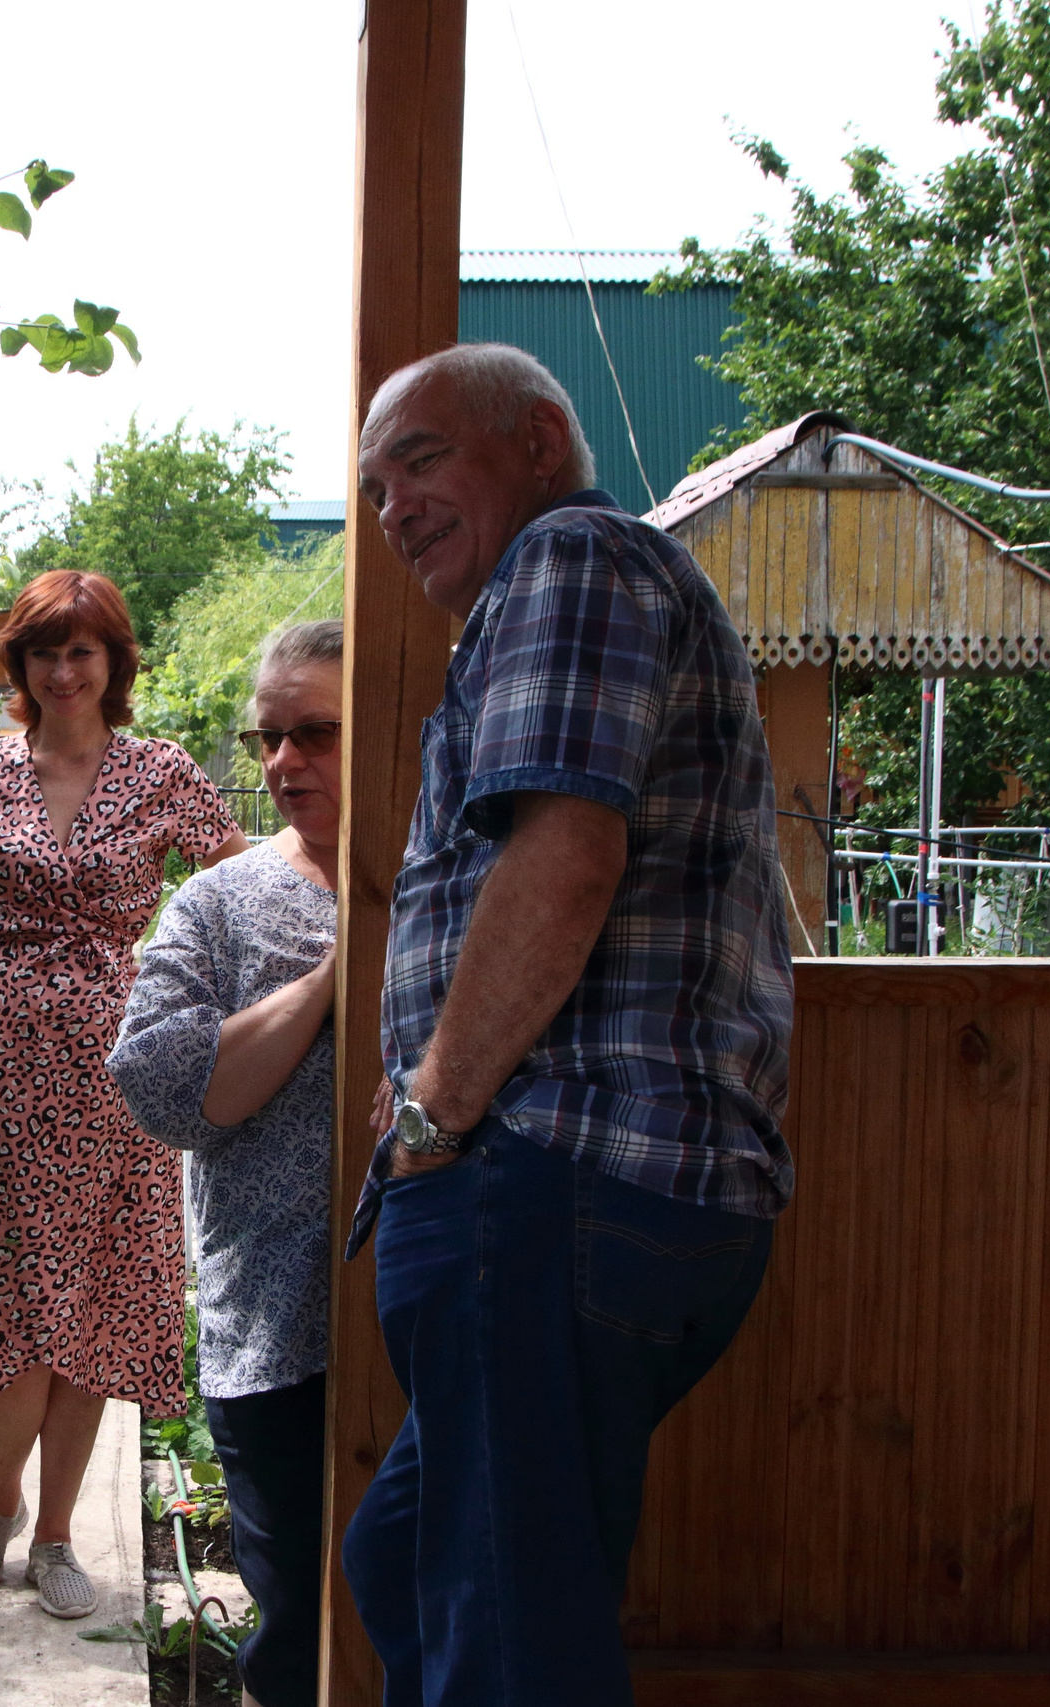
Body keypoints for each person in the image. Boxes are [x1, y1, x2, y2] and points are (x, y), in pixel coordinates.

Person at [337, 343, 795, 1707]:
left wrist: (435, 1101)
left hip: (555, 1173)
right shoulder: (577, 585)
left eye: (421, 460)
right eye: (372, 487)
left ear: (539, 439)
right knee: (408, 1551)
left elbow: (565, 855)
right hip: (595, 1183)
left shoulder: (573, 561)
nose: (393, 506)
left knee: (510, 1645)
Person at [0, 568, 247, 1619]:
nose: (63, 672)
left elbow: (247, 880)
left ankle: (57, 1534)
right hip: (2, 1070)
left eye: (83, 652)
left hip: (123, 1078)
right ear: (19, 667)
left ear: (114, 664)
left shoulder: (162, 774)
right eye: (43, 653)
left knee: (97, 1300)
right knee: (11, 1293)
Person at [109, 618, 346, 1707]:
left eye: (316, 736)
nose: (283, 764)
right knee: (298, 1631)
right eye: (269, 739)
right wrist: (331, 982)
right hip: (279, 1329)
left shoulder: (471, 885)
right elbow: (169, 1091)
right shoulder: (221, 904)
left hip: (444, 1327)